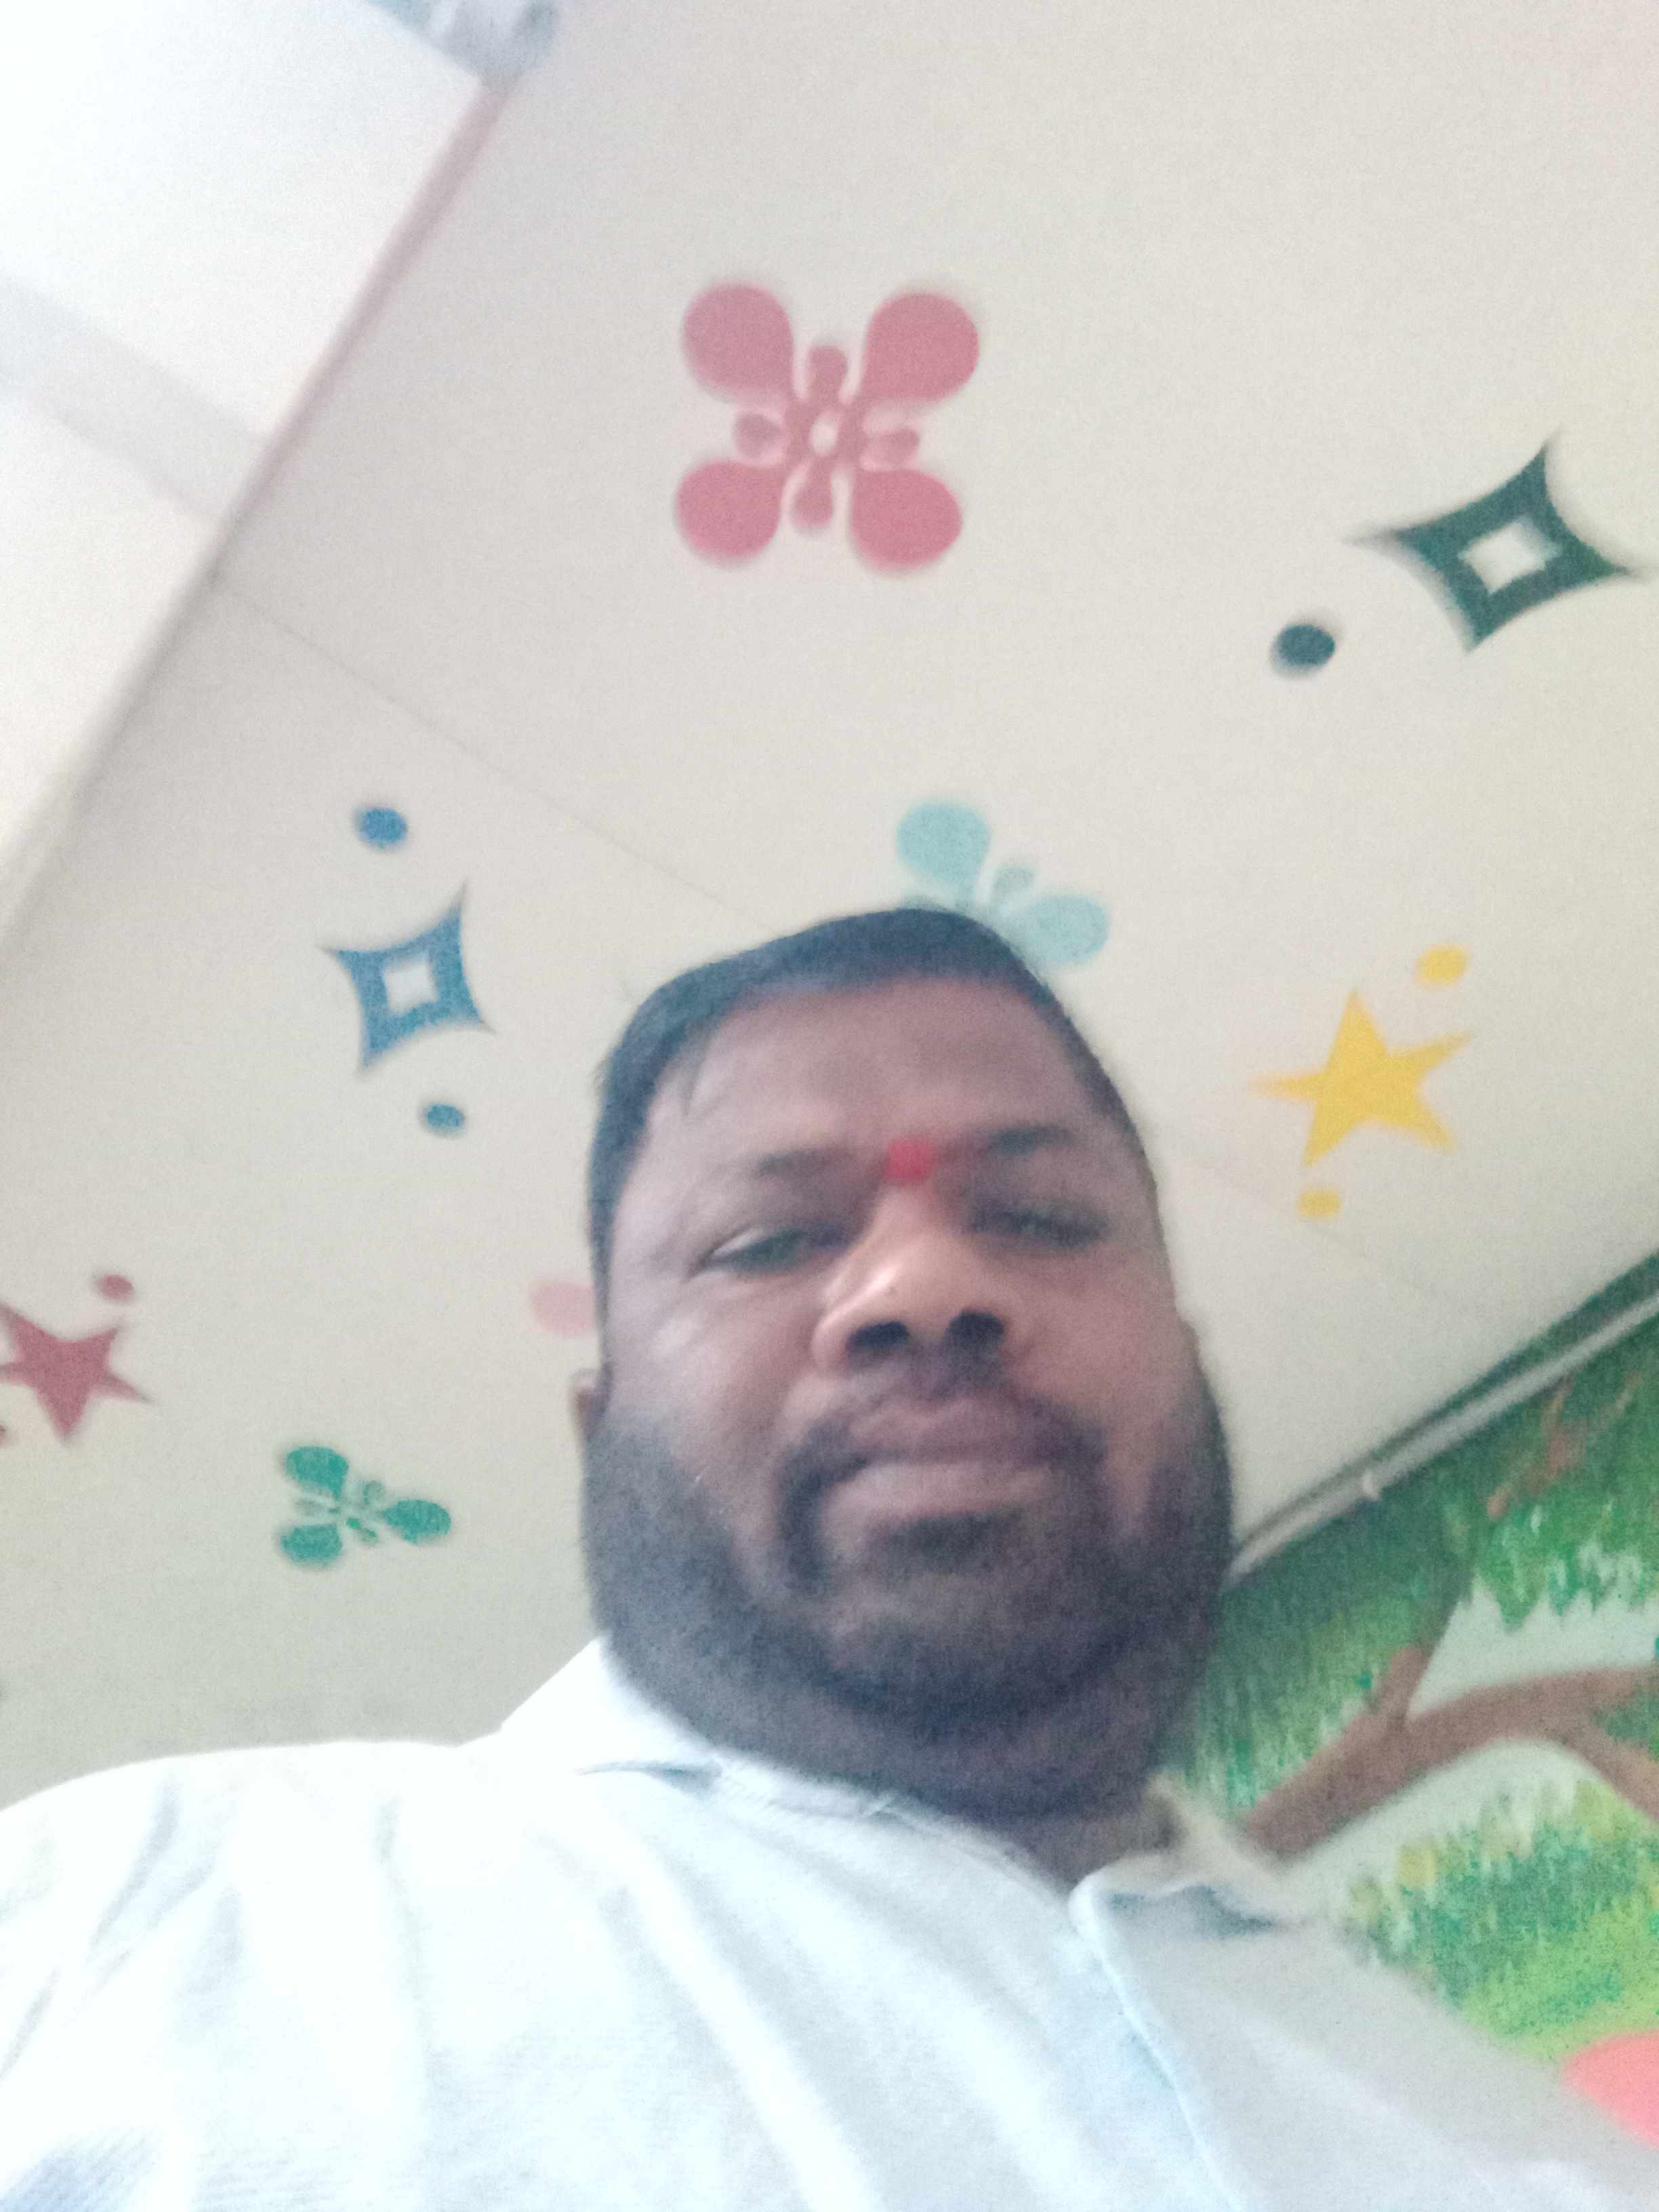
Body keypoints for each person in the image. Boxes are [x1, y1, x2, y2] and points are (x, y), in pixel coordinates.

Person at [0, 907, 1652, 2210]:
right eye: (770, 1240)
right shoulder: (116, 1930)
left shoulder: (1533, 2151)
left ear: (1190, 1357)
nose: (924, 1285)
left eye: (1042, 1217)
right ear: (600, 1422)